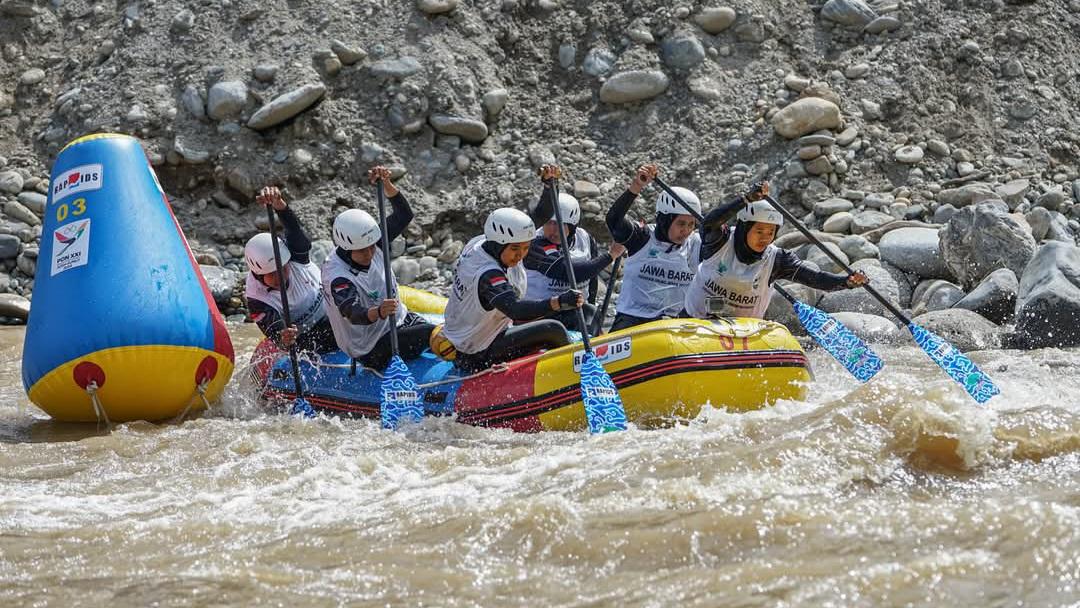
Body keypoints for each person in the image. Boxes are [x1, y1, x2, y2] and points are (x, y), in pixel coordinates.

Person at [684, 183, 870, 319]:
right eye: (759, 231)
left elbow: (816, 278)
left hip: (743, 333)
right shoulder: (720, 240)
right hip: (695, 322)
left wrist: (847, 282)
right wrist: (745, 200)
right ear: (744, 227)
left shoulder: (778, 260)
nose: (765, 238)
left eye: (770, 232)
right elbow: (708, 223)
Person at [443, 207, 584, 373]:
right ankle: (577, 374)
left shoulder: (478, 244)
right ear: (497, 245)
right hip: (475, 354)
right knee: (553, 329)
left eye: (526, 248)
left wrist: (549, 190)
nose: (520, 255)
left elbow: (537, 216)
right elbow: (515, 309)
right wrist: (558, 301)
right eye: (515, 249)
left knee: (581, 312)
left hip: (481, 334)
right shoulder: (489, 275)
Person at [321, 167, 435, 370]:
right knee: (431, 333)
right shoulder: (337, 276)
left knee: (446, 334)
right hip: (369, 347)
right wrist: (380, 311)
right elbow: (353, 313)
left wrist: (386, 185)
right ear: (347, 249)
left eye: (372, 247)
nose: (369, 254)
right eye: (362, 251)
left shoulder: (373, 241)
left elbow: (404, 214)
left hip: (399, 321)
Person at [524, 165, 626, 332]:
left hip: (574, 311)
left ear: (572, 226)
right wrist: (611, 255)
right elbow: (569, 272)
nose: (552, 230)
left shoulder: (585, 238)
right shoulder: (535, 243)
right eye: (549, 223)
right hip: (540, 314)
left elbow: (592, 280)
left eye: (559, 225)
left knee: (591, 313)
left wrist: (591, 306)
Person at [605, 163, 701, 331]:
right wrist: (636, 186)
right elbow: (613, 220)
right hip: (633, 319)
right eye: (681, 223)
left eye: (691, 224)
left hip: (675, 323)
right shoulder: (641, 237)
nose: (686, 231)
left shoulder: (695, 243)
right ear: (664, 220)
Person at [244, 186, 336, 353]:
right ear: (259, 276)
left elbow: (294, 228)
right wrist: (283, 338)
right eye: (272, 274)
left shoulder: (293, 254)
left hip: (332, 314)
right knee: (311, 342)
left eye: (282, 269)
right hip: (305, 337)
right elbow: (274, 332)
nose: (279, 276)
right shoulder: (257, 299)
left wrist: (279, 205)